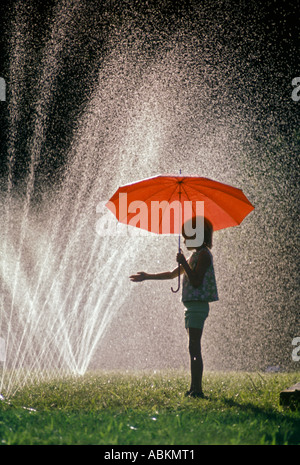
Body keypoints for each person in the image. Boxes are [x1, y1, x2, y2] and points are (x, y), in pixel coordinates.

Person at [129, 216, 218, 398]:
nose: (184, 240)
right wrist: (147, 276)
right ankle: (194, 388)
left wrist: (184, 262)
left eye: (188, 236)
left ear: (198, 235)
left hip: (198, 307)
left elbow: (196, 281)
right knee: (192, 347)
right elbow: (171, 275)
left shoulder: (204, 255)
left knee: (194, 347)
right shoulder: (195, 255)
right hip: (191, 307)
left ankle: (197, 390)